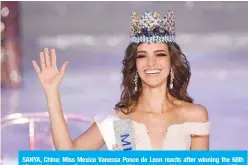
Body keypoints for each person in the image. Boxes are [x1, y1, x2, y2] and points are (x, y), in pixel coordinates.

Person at [32, 10, 210, 151]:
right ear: (135, 64)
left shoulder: (194, 115)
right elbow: (68, 156)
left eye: (160, 54)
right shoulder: (119, 120)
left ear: (172, 63)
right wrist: (51, 91)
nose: (151, 63)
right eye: (142, 56)